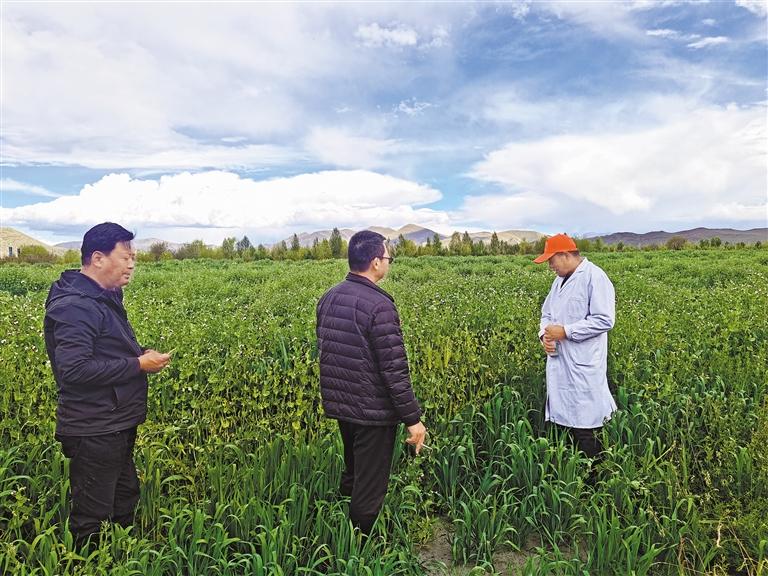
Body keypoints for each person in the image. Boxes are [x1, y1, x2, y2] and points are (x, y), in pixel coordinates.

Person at [43, 222, 171, 547]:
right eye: (126, 257)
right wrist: (138, 364)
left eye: (134, 258)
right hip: (94, 426)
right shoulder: (75, 306)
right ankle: (86, 562)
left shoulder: (103, 297)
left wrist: (141, 354)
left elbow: (106, 349)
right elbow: (74, 370)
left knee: (124, 496)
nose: (132, 264)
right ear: (98, 258)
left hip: (113, 420)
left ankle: (120, 557)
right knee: (92, 513)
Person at [316, 230, 427, 535]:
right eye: (388, 257)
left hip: (343, 405)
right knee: (370, 485)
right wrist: (413, 420)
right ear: (376, 262)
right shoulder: (379, 305)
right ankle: (359, 546)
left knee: (354, 470)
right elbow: (394, 370)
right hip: (372, 411)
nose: (389, 263)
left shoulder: (329, 297)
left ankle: (338, 527)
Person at [534, 233, 616, 460]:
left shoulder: (594, 277)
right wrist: (544, 336)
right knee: (564, 422)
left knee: (586, 423)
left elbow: (605, 320)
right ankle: (571, 471)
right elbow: (546, 314)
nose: (550, 266)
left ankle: (596, 474)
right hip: (561, 362)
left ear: (565, 255)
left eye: (551, 260)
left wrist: (566, 331)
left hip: (583, 364)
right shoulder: (558, 282)